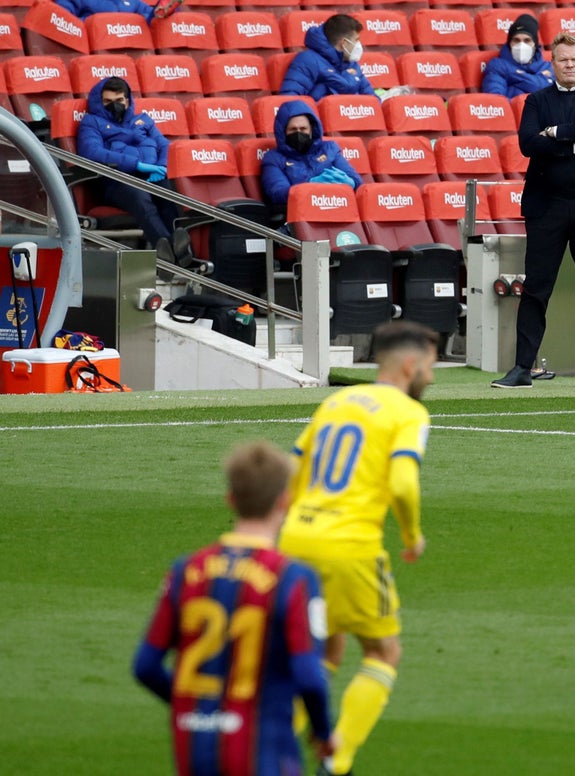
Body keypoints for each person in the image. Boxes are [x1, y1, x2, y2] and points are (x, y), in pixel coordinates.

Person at [279, 320, 437, 776]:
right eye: (429, 366)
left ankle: (269, 747)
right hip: (349, 546)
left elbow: (291, 472)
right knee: (383, 652)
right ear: (409, 365)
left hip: (297, 539)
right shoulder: (409, 413)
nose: (432, 376)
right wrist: (411, 536)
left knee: (324, 651)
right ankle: (338, 759)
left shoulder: (335, 401)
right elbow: (404, 486)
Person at [132, 441, 337, 776]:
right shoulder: (294, 577)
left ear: (231, 500)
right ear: (284, 501)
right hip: (264, 747)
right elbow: (310, 678)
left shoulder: (186, 570)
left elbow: (145, 667)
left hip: (194, 747)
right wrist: (324, 734)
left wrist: (199, 709)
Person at [490, 32, 575, 390]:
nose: (570, 65)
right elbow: (527, 143)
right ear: (553, 63)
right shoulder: (536, 100)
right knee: (536, 288)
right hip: (546, 207)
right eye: (563, 60)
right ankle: (522, 368)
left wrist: (556, 134)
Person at [76, 77, 196, 268]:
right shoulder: (91, 123)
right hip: (116, 181)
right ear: (99, 102)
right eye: (108, 102)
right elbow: (92, 152)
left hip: (150, 177)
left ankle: (181, 249)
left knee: (168, 192)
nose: (115, 106)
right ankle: (165, 247)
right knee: (140, 197)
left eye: (119, 100)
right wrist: (136, 164)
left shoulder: (143, 120)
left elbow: (164, 145)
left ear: (128, 100)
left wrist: (162, 166)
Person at [261, 99, 362, 208]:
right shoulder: (273, 158)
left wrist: (351, 183)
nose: (298, 133)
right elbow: (277, 193)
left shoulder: (329, 149)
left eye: (303, 129)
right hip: (302, 212)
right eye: (293, 129)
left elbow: (357, 182)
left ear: (311, 130)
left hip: (337, 206)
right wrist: (310, 186)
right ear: (284, 132)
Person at [281, 14, 375, 103]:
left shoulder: (352, 64)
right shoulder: (308, 60)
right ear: (344, 43)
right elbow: (290, 98)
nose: (359, 45)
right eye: (356, 40)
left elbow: (373, 100)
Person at [482, 13, 555, 100]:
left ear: (535, 44)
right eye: (516, 40)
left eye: (527, 40)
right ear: (509, 43)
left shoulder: (549, 67)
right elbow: (496, 100)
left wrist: (512, 75)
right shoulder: (498, 65)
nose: (521, 45)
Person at [55, 0, 181, 22]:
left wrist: (164, 10)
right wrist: (92, 23)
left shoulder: (132, 2)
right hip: (96, 62)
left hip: (127, 58)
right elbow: (63, 21)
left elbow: (150, 19)